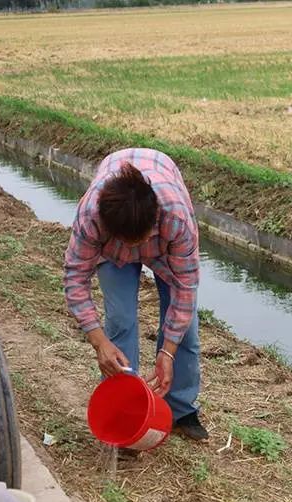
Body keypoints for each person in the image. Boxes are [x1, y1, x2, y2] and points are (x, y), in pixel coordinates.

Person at [63, 148, 207, 441]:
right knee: (120, 321)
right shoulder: (92, 217)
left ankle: (181, 409)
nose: (134, 251)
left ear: (153, 221)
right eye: (126, 242)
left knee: (184, 330)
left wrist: (168, 351)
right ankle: (126, 408)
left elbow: (186, 287)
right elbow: (75, 277)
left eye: (138, 241)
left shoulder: (175, 219)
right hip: (110, 253)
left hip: (165, 248)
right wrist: (98, 341)